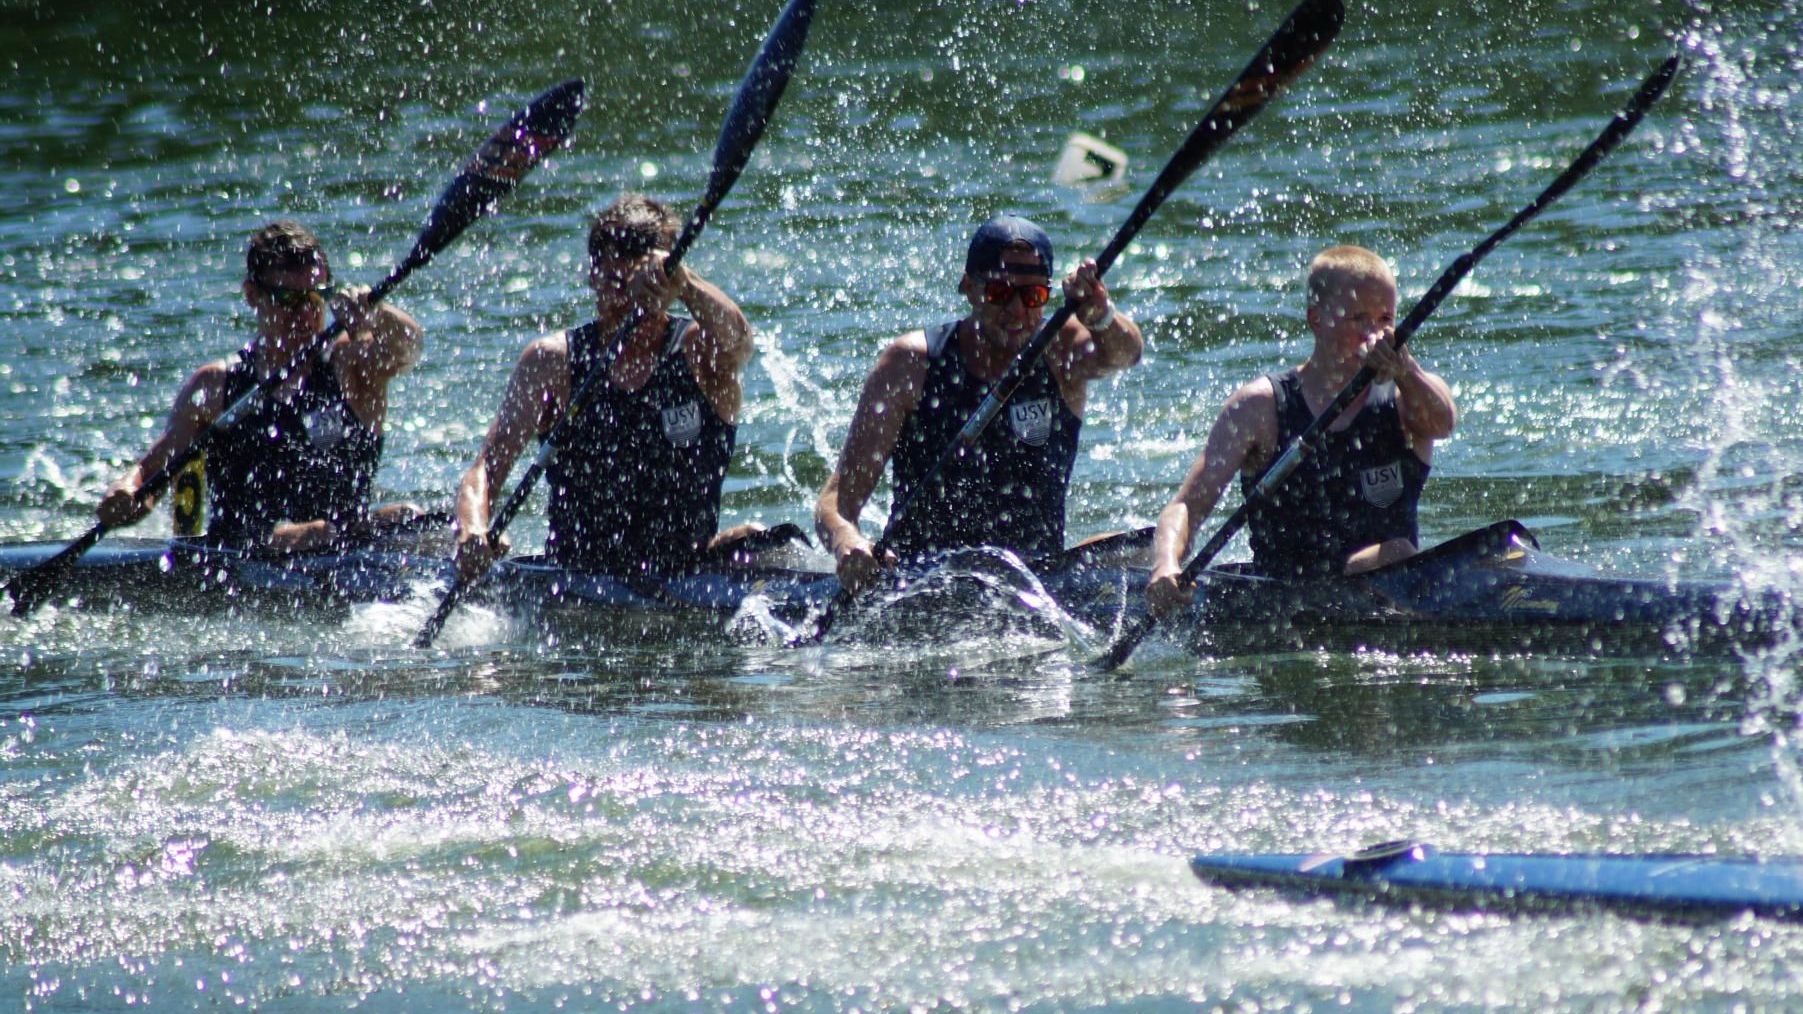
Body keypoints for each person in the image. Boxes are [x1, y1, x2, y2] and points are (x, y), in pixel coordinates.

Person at [815, 213, 1144, 595]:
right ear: (968, 288)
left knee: (1139, 546)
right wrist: (846, 541)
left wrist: (1101, 314)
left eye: (1033, 296)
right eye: (999, 293)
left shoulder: (1060, 349)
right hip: (923, 583)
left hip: (1035, 582)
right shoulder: (909, 365)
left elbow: (1126, 354)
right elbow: (835, 503)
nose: (1017, 311)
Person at [451, 193, 755, 582]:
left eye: (644, 284)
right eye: (615, 281)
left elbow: (740, 341)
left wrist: (687, 283)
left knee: (762, 539)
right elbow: (485, 472)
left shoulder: (699, 350)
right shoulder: (550, 362)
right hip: (578, 575)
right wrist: (473, 529)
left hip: (686, 571)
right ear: (592, 276)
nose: (630, 299)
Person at [1145, 244, 1457, 615]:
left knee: (1397, 553)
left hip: (1386, 589)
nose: (1376, 335)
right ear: (1316, 319)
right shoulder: (1259, 408)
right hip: (1283, 599)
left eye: (1386, 319)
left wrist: (1408, 372)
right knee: (1397, 553)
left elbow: (1442, 424)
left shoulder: (1410, 396)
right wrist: (1165, 564)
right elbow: (1186, 506)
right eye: (1359, 319)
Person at [97, 220, 425, 551]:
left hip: (340, 552)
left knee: (407, 516)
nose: (305, 313)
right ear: (253, 296)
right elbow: (149, 474)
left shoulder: (350, 364)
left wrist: (377, 312)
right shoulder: (214, 385)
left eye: (314, 297)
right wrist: (126, 492)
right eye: (287, 298)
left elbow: (408, 348)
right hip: (242, 557)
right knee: (312, 534)